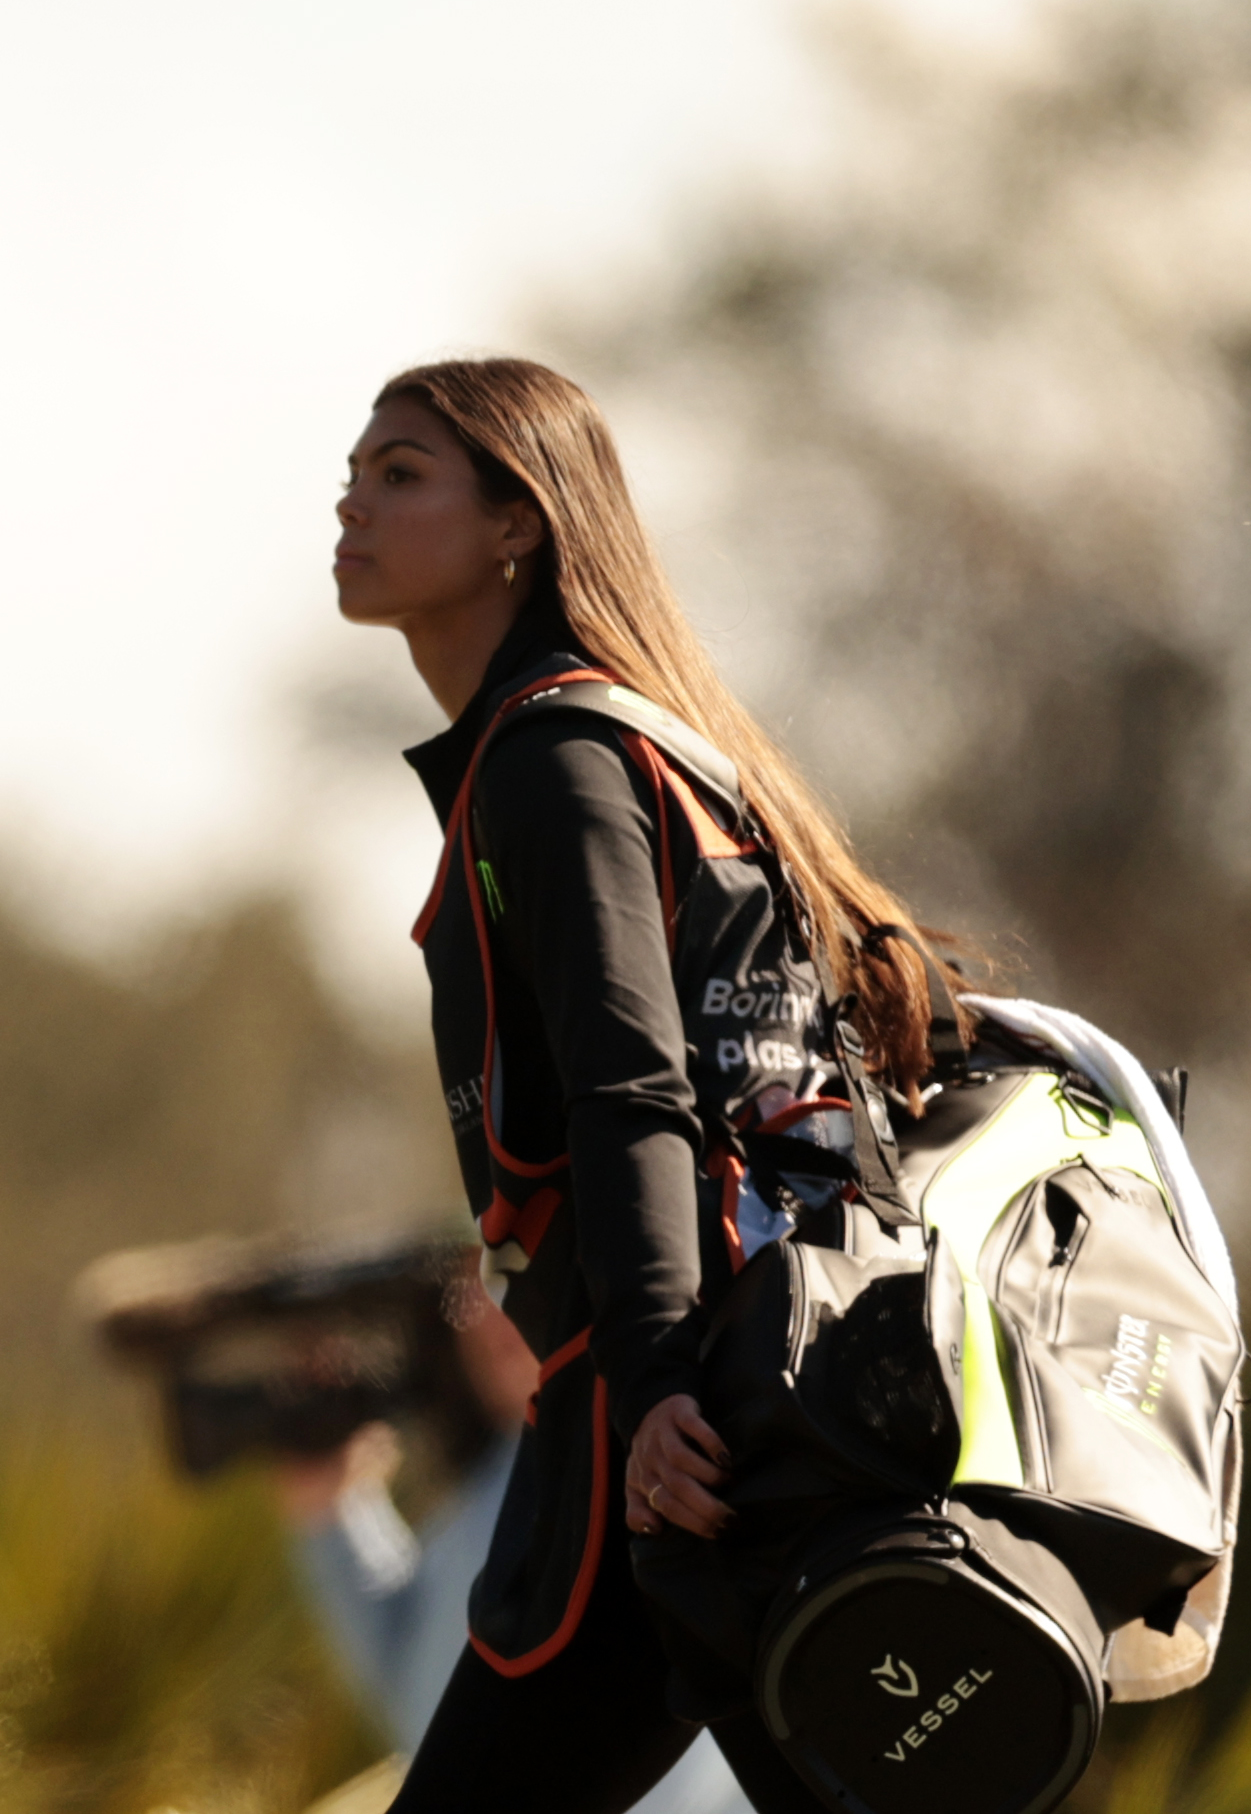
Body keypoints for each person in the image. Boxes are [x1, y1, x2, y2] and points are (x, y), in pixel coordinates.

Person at [330, 358, 955, 1814]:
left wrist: (661, 1377)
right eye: (351, 473)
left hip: (666, 1440)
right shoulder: (641, 747)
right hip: (744, 1407)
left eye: (401, 471)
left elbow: (636, 1088)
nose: (351, 500)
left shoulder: (553, 756)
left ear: (517, 525)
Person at [276, 1286, 747, 1814]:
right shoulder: (650, 1461)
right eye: (483, 1279)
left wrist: (332, 1511)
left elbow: (403, 1674)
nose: (491, 1308)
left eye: (510, 1277)